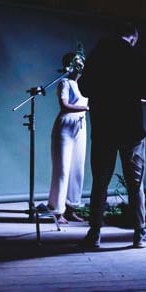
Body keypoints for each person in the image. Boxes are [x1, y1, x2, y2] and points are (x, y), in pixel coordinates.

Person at [77, 21, 146, 249]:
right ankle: (140, 234)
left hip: (103, 128)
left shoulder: (98, 55)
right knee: (135, 184)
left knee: (100, 183)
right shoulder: (137, 56)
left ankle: (94, 233)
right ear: (133, 37)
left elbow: (84, 88)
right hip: (131, 128)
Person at [45, 51, 89, 224]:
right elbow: (64, 105)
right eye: (77, 63)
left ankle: (71, 208)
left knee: (77, 169)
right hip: (65, 126)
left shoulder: (84, 86)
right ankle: (56, 210)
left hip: (80, 126)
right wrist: (86, 108)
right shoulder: (64, 83)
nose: (81, 66)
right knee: (62, 169)